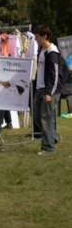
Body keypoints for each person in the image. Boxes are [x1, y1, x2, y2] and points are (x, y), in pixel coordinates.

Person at [34, 25, 63, 155]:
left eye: (37, 37)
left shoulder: (52, 53)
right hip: (40, 88)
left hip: (49, 91)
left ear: (45, 37)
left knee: (46, 118)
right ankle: (53, 136)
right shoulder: (42, 50)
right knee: (37, 118)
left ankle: (48, 148)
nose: (36, 39)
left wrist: (49, 93)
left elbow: (54, 76)